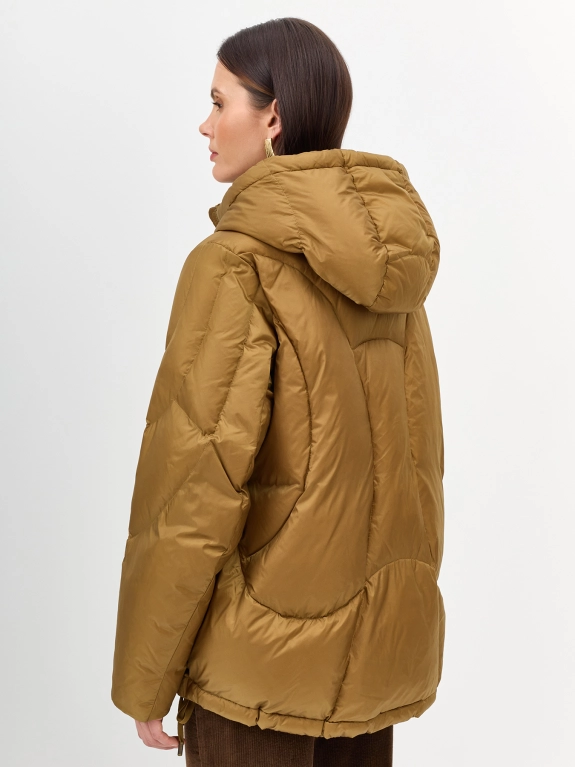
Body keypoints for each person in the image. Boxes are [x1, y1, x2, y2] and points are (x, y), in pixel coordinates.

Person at [111, 17, 445, 767]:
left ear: (273, 118)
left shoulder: (232, 264)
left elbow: (193, 486)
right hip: (370, 680)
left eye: (218, 101)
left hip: (254, 679)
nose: (205, 124)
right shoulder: (394, 280)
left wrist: (145, 676)